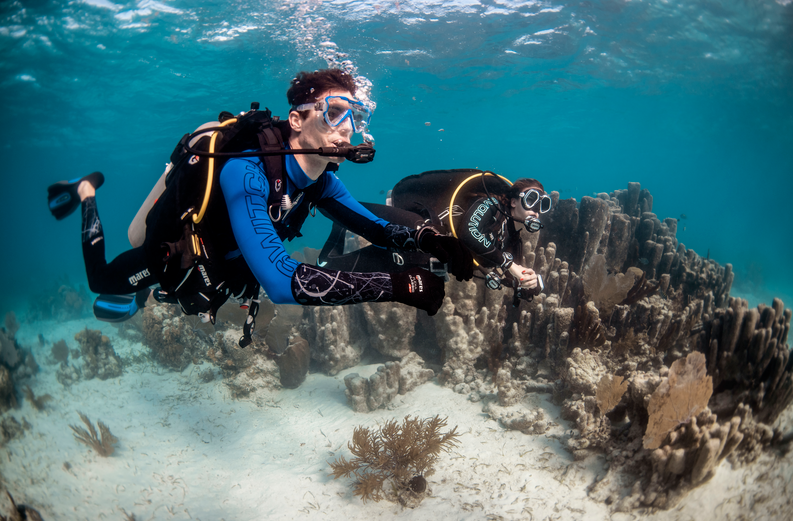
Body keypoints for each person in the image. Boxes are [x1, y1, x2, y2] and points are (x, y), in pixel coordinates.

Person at [46, 69, 474, 343]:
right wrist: (400, 286)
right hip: (176, 254)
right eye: (335, 112)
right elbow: (283, 283)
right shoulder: (246, 171)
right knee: (101, 280)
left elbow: (375, 226)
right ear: (296, 120)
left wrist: (434, 240)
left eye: (355, 118)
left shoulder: (321, 181)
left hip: (224, 269)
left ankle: (146, 295)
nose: (347, 130)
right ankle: (86, 191)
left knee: (152, 294)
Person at [318, 169, 552, 304]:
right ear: (513, 200)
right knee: (342, 209)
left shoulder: (512, 238)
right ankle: (316, 193)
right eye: (531, 200)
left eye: (542, 205)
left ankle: (337, 230)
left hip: (417, 260)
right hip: (415, 229)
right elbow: (469, 234)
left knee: (327, 266)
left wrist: (534, 283)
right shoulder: (490, 202)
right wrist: (510, 265)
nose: (535, 209)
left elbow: (514, 281)